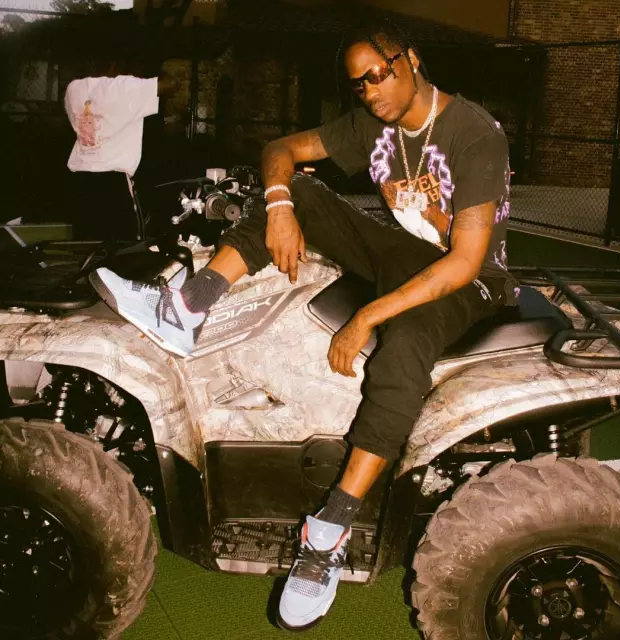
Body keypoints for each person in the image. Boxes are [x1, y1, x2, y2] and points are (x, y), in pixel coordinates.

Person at [89, 18, 518, 631]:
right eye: (358, 83)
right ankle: (188, 307)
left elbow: (465, 261)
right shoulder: (374, 123)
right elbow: (280, 151)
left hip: (468, 281)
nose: (370, 91)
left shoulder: (473, 131)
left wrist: (369, 314)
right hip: (403, 255)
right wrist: (281, 206)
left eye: (379, 74)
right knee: (304, 196)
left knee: (403, 345)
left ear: (411, 60)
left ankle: (330, 531)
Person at [64, 52, 176, 241]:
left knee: (86, 246)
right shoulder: (123, 87)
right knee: (120, 249)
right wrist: (156, 67)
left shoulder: (74, 88)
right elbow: (170, 83)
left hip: (80, 183)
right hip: (111, 186)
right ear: (118, 64)